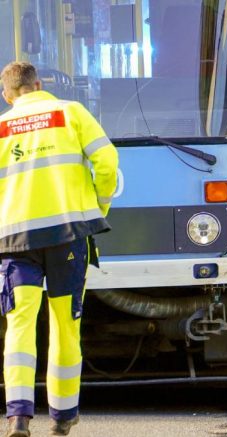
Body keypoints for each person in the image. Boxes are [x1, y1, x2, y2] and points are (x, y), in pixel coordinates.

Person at [0, 62, 118, 437]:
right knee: (65, 326)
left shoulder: (1, 128)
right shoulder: (72, 112)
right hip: (67, 235)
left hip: (15, 242)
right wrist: (98, 207)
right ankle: (63, 416)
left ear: (7, 94)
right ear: (39, 84)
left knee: (19, 325)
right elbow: (107, 162)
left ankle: (18, 416)